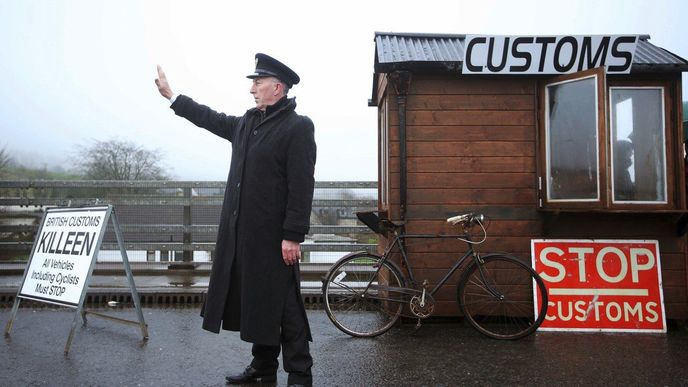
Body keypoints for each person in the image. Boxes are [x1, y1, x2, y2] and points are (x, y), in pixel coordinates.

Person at [155, 53, 316, 387]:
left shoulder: (297, 126)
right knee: (257, 302)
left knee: (286, 307)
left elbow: (302, 185)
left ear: (278, 87)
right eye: (253, 83)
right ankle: (263, 366)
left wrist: (292, 235)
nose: (252, 89)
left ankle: (300, 374)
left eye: (257, 82)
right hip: (244, 236)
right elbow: (209, 118)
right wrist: (174, 97)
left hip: (276, 239)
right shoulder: (246, 124)